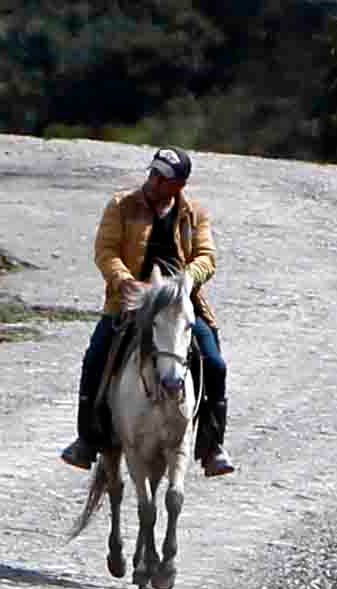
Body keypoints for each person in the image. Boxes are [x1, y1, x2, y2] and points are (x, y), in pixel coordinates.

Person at [60, 147, 235, 478]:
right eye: (153, 174)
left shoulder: (193, 213)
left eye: (162, 178)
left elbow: (207, 256)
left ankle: (212, 445)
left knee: (214, 362)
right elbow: (106, 251)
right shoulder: (121, 206)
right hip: (131, 301)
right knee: (96, 357)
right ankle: (87, 438)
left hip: (179, 301)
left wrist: (186, 281)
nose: (153, 181)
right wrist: (124, 281)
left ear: (178, 184)